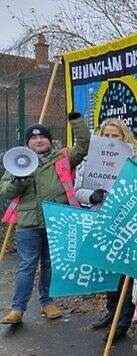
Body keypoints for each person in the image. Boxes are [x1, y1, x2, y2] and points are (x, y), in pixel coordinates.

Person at [0, 112, 90, 325]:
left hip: (55, 220)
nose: (38, 140)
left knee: (49, 264)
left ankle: (47, 302)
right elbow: (5, 191)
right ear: (28, 143)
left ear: (49, 140)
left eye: (42, 137)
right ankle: (17, 308)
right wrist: (19, 180)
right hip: (28, 223)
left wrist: (76, 121)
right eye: (33, 138)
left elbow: (84, 144)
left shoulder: (64, 157)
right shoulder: (17, 162)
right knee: (27, 265)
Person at [74, 118, 137, 341]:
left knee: (121, 273)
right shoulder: (91, 160)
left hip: (126, 222)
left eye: (114, 135)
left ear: (124, 136)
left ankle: (122, 320)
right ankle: (111, 311)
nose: (109, 140)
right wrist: (91, 196)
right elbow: (78, 189)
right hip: (102, 220)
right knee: (107, 270)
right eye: (105, 135)